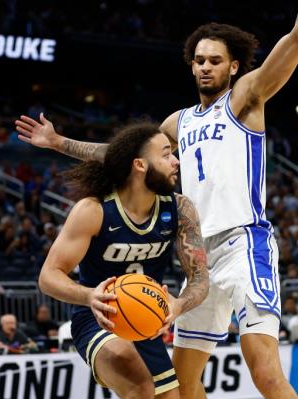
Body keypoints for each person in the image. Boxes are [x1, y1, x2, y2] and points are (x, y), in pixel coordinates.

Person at [16, 1, 298, 396]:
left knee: (263, 370)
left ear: (233, 67)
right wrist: (59, 143)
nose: (205, 67)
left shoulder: (245, 97)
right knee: (182, 382)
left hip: (245, 245)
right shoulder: (178, 123)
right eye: (198, 60)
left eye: (215, 60)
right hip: (198, 257)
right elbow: (125, 155)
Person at [37, 122, 209, 399]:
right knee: (139, 383)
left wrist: (179, 304)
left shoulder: (179, 208)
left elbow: (200, 277)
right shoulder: (93, 210)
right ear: (140, 165)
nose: (176, 161)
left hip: (146, 320)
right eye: (166, 154)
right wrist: (90, 295)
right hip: (99, 319)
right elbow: (48, 276)